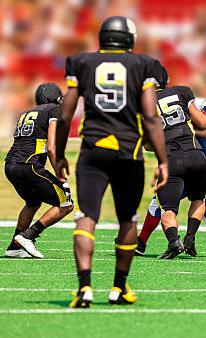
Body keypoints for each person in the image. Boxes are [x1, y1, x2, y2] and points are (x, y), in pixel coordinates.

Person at [54, 16, 168, 308]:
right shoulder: (144, 65)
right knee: (127, 218)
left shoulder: (81, 62)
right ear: (129, 38)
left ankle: (84, 288)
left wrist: (59, 154)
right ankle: (118, 288)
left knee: (86, 217)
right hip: (128, 151)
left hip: (92, 149)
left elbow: (66, 115)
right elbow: (151, 116)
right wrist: (163, 160)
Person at [136, 97, 206, 257]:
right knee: (158, 203)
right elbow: (150, 146)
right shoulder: (177, 119)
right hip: (185, 167)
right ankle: (141, 243)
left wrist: (184, 129)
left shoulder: (195, 117)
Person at [149, 64, 206, 259]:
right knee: (198, 199)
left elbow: (148, 145)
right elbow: (203, 123)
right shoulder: (182, 91)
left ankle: (173, 242)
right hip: (196, 154)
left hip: (171, 160)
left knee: (168, 209)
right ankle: (190, 238)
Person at [7, 83, 74, 258]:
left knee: (33, 202)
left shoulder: (27, 113)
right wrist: (62, 178)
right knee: (66, 203)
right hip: (28, 165)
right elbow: (52, 147)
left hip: (10, 165)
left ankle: (14, 246)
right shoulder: (54, 110)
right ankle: (28, 236)